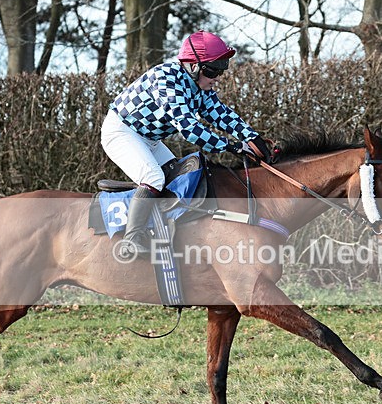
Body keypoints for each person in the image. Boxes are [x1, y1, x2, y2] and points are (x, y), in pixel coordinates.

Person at [101, 30, 270, 259]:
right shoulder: (166, 79)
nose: (216, 76)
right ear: (192, 66)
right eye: (212, 70)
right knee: (153, 178)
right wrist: (230, 146)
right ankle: (132, 239)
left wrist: (252, 138)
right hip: (121, 132)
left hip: (149, 139)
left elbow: (221, 115)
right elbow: (189, 129)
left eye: (221, 69)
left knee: (178, 180)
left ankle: (163, 232)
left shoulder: (199, 87)